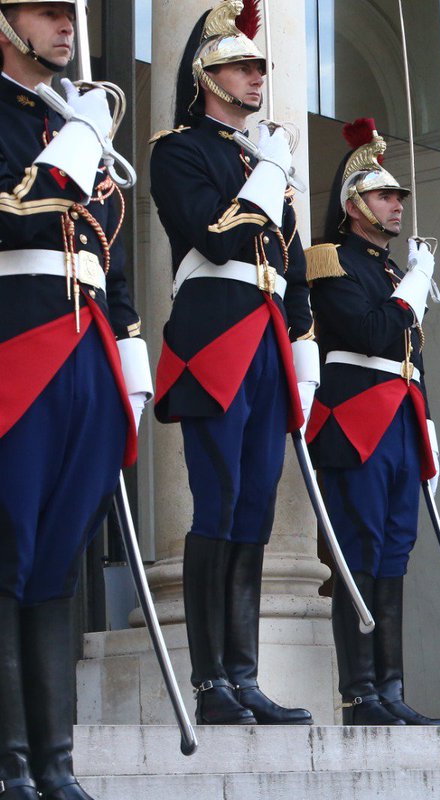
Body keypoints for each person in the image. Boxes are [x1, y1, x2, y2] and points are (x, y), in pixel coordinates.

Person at [149, 0, 315, 726]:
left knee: (255, 509)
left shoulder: (262, 159)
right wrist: (265, 176)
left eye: (258, 66)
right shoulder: (179, 149)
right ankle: (211, 682)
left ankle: (244, 676)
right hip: (215, 339)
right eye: (244, 66)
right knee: (217, 503)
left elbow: (292, 265)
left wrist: (305, 348)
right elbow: (214, 239)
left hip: (268, 342)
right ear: (208, 75)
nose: (257, 77)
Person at [0, 1, 150, 796]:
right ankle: (10, 765)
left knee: (58, 560)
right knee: (9, 549)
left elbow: (105, 256)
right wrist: (77, 141)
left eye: (72, 15)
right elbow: (13, 214)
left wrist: (128, 351)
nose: (66, 28)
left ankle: (56, 765)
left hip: (85, 350)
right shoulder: (48, 127)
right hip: (14, 348)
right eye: (50, 13)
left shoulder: (74, 122)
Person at [305, 118, 440, 726]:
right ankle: (359, 692)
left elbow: (413, 357)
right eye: (386, 196)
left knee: (394, 554)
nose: (396, 206)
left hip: (400, 419)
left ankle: (390, 688)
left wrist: (429, 423)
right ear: (355, 202)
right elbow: (368, 332)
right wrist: (414, 284)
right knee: (357, 552)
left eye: (397, 197)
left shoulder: (391, 272)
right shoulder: (329, 258)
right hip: (356, 420)